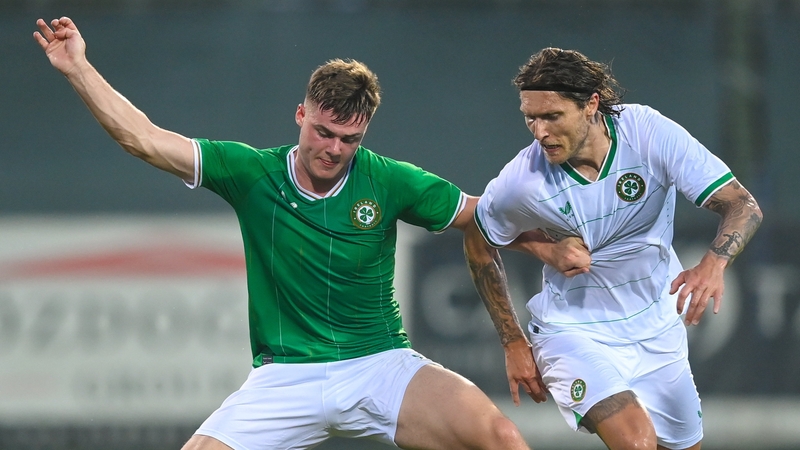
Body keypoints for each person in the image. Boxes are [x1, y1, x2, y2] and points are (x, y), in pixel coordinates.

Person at [33, 16, 536, 450]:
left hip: (377, 363)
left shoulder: (389, 179)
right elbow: (142, 139)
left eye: (349, 139)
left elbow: (486, 216)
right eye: (323, 131)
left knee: (501, 438)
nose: (334, 148)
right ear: (301, 115)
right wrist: (77, 68)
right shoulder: (251, 172)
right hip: (284, 377)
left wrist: (546, 255)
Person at [463, 47, 763, 450]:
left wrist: (714, 262)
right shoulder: (524, 181)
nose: (539, 132)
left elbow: (741, 205)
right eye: (530, 118)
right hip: (572, 332)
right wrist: (514, 341)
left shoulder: (647, 133)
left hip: (657, 329)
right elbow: (478, 238)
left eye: (552, 116)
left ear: (591, 105)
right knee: (635, 441)